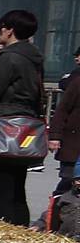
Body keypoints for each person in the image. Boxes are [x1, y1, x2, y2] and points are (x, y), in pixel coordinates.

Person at [0, 8, 47, 227]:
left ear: (9, 31)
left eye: (2, 28)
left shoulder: (9, 57)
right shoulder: (34, 56)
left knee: (1, 190)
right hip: (26, 125)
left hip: (5, 125)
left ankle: (7, 236)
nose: (0, 32)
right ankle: (22, 234)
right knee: (18, 189)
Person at [48, 44, 80, 191]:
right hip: (74, 139)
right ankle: (57, 210)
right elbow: (62, 109)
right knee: (68, 181)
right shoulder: (77, 81)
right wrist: (55, 136)